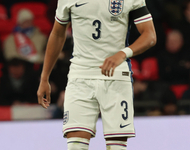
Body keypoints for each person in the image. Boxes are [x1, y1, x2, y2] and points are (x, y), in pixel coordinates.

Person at [37, 0, 156, 149]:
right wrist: (44, 78)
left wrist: (122, 54)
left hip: (116, 76)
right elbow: (57, 34)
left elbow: (150, 35)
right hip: (80, 76)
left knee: (116, 146)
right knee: (75, 146)